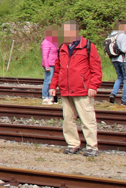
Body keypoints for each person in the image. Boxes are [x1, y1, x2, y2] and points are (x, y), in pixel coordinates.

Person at [51, 19, 103, 156]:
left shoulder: (88, 46)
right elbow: (57, 69)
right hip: (66, 90)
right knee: (68, 120)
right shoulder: (62, 47)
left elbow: (96, 69)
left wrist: (93, 86)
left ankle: (92, 147)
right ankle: (73, 144)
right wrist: (53, 86)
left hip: (82, 90)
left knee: (87, 119)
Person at [108, 21, 126, 104]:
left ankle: (113, 94)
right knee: (125, 79)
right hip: (122, 60)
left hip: (114, 59)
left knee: (120, 77)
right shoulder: (122, 35)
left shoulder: (112, 34)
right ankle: (124, 100)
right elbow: (124, 49)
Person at [41, 26, 59, 105]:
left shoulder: (54, 42)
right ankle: (45, 97)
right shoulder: (46, 42)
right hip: (49, 64)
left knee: (53, 81)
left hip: (55, 63)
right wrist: (47, 66)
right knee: (48, 81)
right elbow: (45, 55)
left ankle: (52, 97)